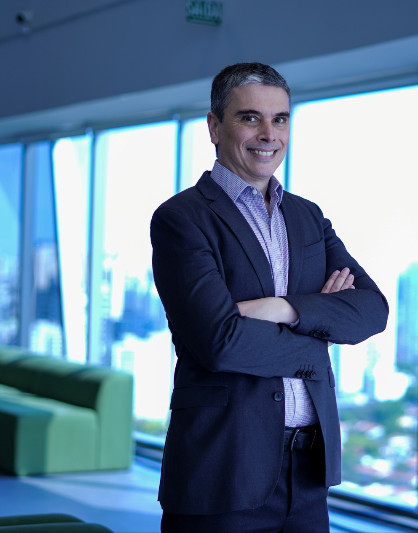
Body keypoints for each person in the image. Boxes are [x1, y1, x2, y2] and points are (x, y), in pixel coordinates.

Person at [150, 62, 389, 533]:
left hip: (308, 470)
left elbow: (371, 310)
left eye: (280, 119)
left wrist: (286, 308)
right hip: (222, 468)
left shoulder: (307, 217)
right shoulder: (182, 219)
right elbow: (220, 342)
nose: (268, 133)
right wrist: (319, 336)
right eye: (250, 118)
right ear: (214, 126)